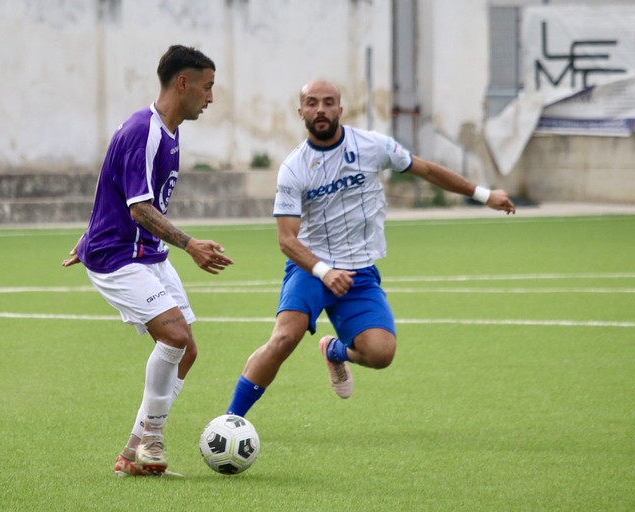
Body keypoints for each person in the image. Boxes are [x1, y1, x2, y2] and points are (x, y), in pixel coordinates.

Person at [225, 79, 515, 417]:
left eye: (329, 102)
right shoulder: (293, 168)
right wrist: (324, 271)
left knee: (381, 354)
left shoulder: (372, 146)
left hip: (359, 270)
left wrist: (483, 195)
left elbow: (426, 169)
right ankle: (230, 422)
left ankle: (335, 351)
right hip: (312, 267)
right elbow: (286, 240)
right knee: (283, 339)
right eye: (313, 103)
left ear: (340, 109)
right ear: (301, 111)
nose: (321, 109)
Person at [62, 45, 233, 477]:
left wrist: (87, 231)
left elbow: (112, 184)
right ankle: (153, 439)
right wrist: (190, 244)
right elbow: (139, 208)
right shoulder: (146, 130)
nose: (211, 98)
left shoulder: (169, 131)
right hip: (118, 256)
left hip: (145, 253)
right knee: (174, 336)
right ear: (183, 83)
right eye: (208, 87)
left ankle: (132, 453)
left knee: (188, 350)